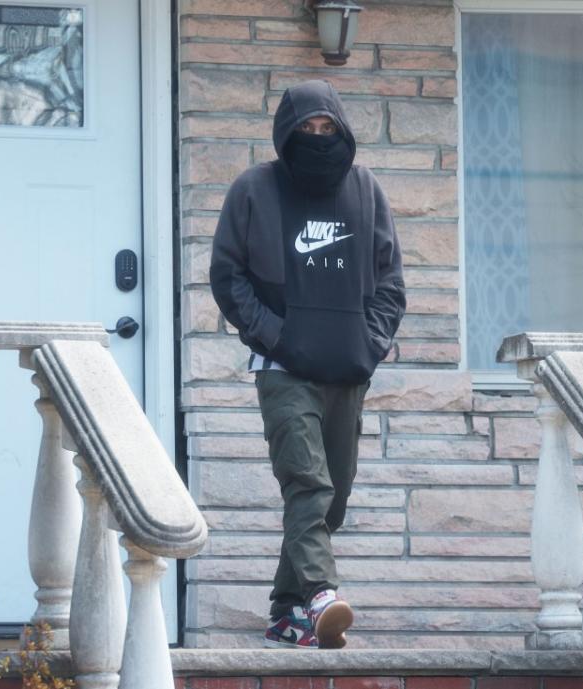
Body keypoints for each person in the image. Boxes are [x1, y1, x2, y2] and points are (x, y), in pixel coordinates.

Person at [209, 80, 406, 650]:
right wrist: (278, 337)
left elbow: (390, 281)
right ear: (285, 133)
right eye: (306, 129)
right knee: (308, 483)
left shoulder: (365, 190)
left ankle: (285, 611)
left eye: (327, 129)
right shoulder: (254, 189)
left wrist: (369, 343)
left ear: (342, 131)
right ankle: (321, 594)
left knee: (332, 498)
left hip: (347, 367)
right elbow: (228, 277)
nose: (317, 138)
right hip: (282, 369)